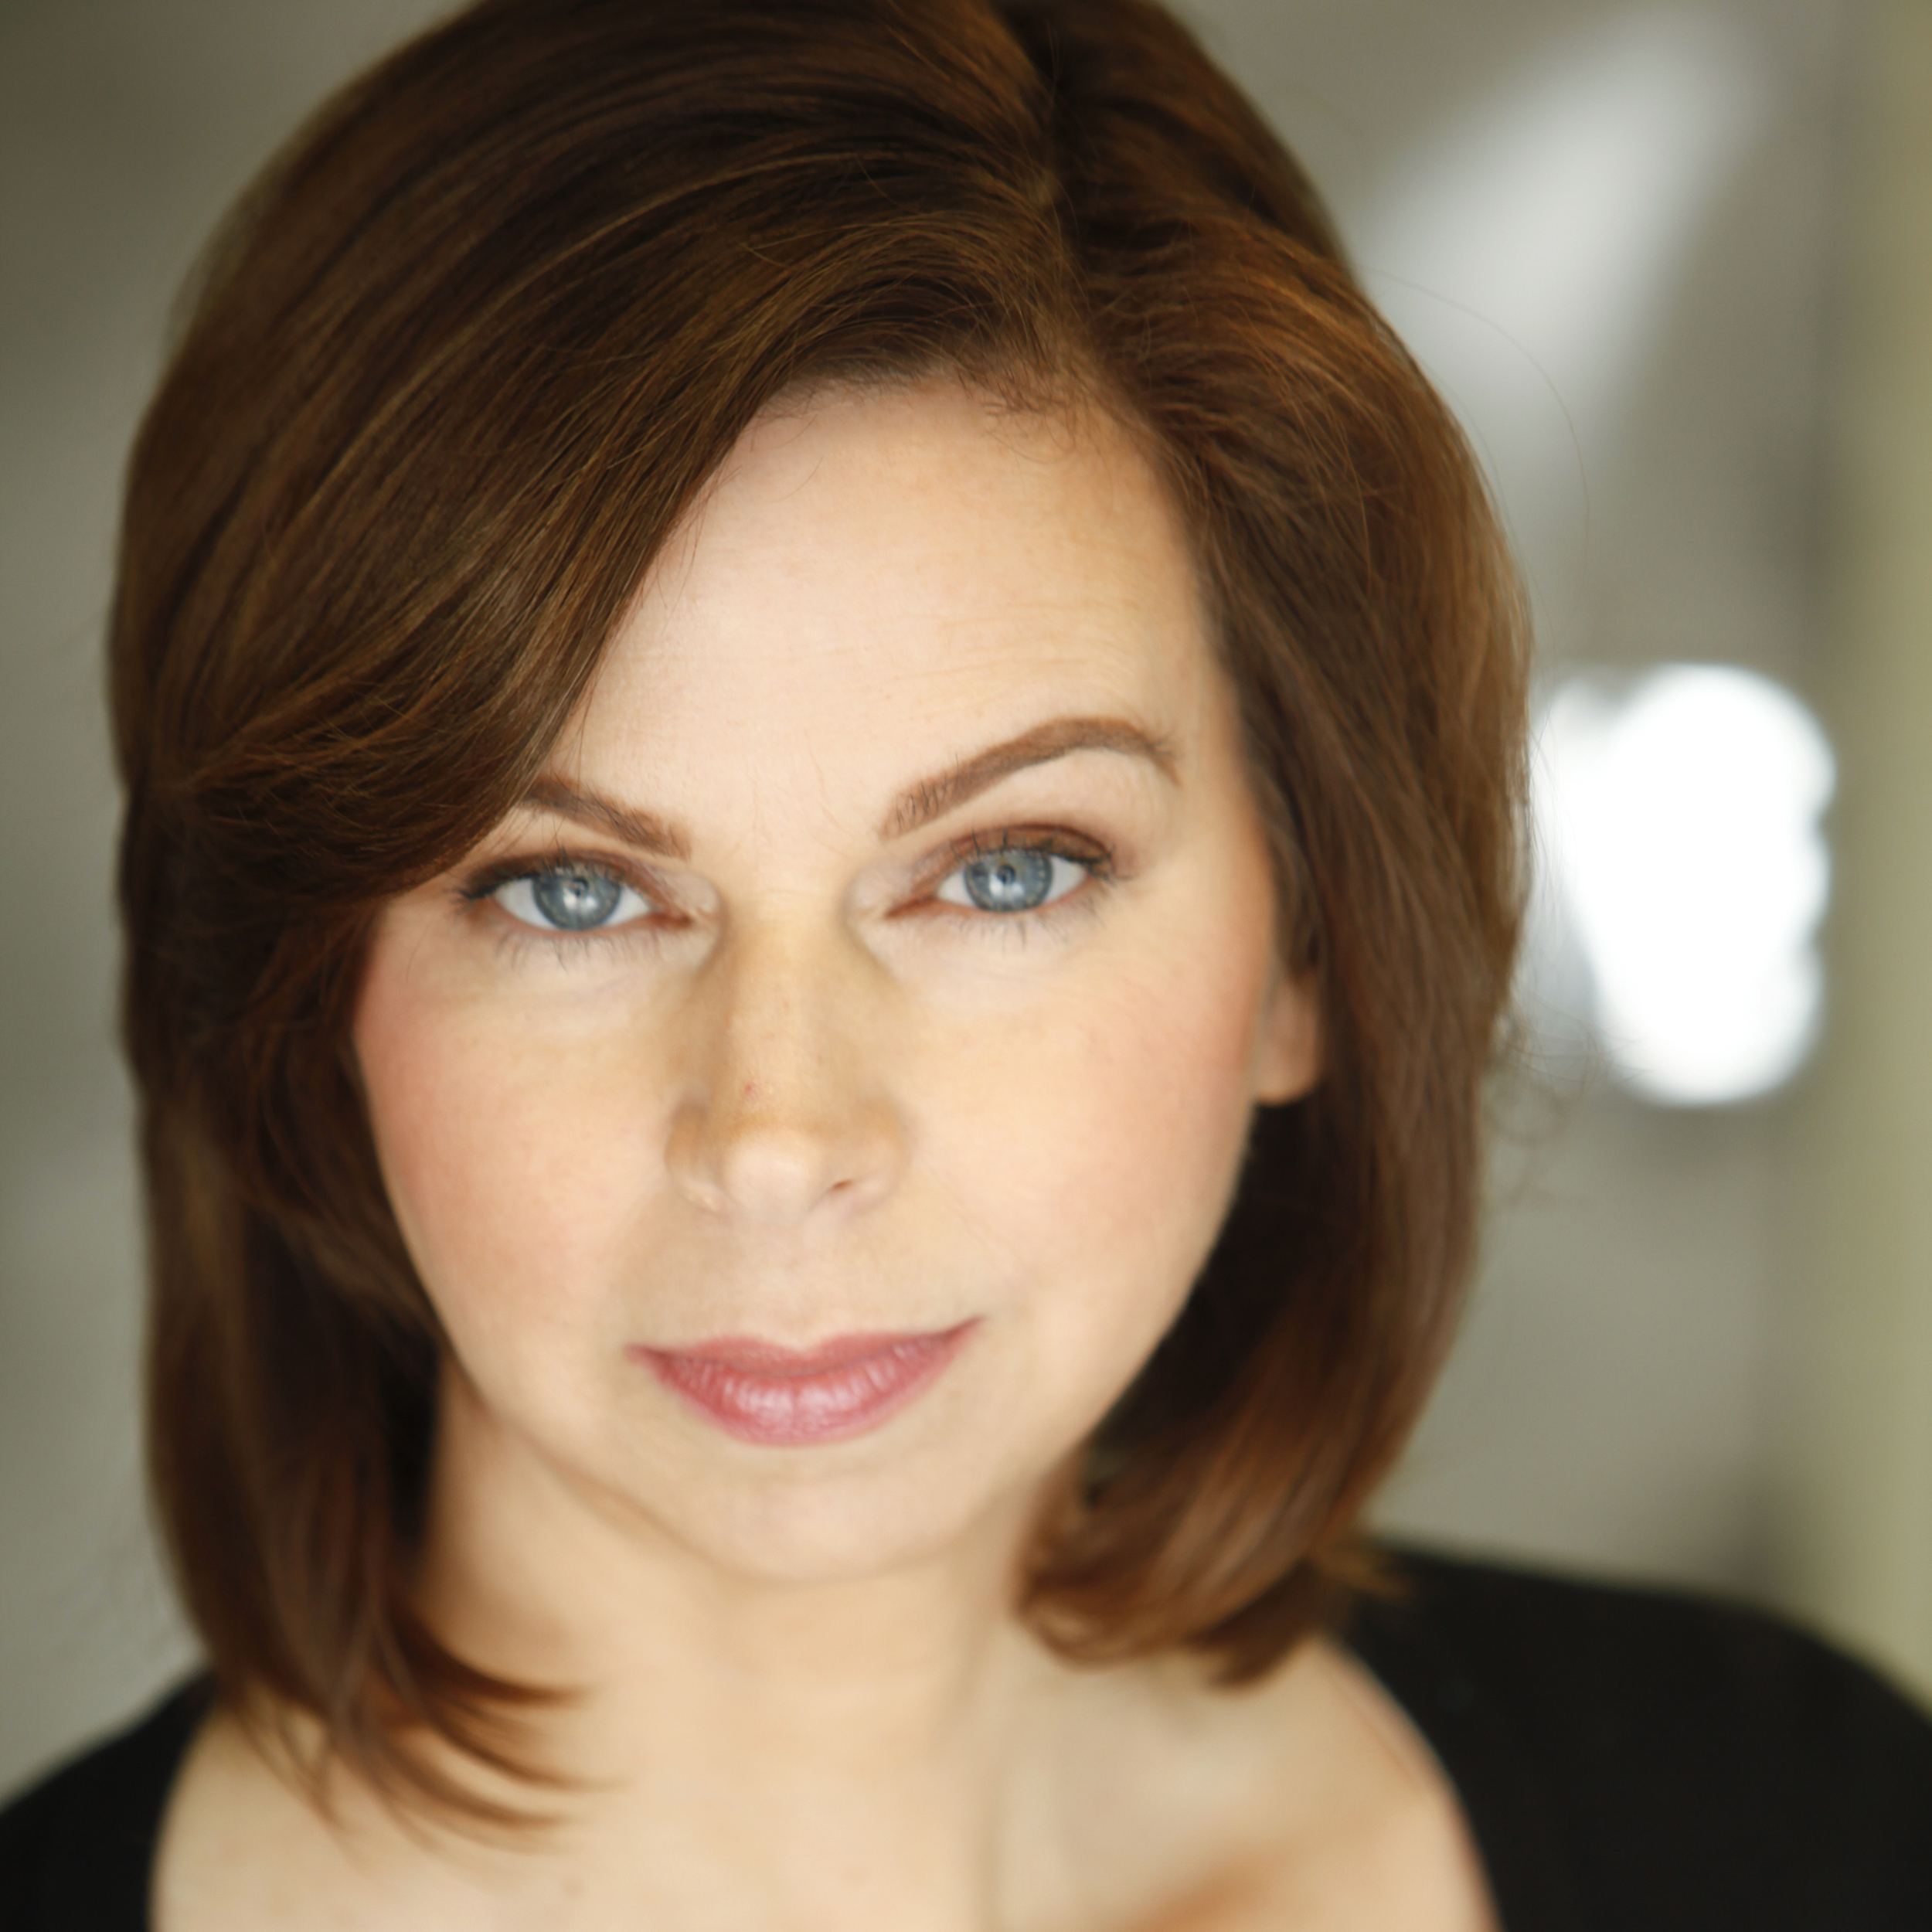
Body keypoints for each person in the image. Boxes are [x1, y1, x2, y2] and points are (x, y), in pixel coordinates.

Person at [2, 0, 1928, 1926]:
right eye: (569, 893)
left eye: (1006, 870)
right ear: (305, 994)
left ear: (1306, 944)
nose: (778, 1136)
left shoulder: (1804, 1834)